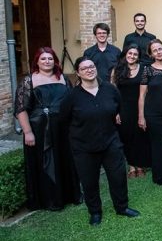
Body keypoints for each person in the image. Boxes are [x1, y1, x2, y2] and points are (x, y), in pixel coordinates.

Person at [60, 57, 140, 226]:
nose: (89, 70)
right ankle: (95, 212)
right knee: (89, 181)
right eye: (84, 68)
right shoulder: (72, 96)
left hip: (111, 142)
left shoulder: (110, 90)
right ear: (78, 73)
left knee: (118, 177)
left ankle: (122, 207)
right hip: (84, 147)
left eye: (91, 66)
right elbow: (64, 120)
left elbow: (117, 108)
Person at [14, 47, 80, 211]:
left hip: (63, 129)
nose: (47, 62)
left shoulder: (63, 78)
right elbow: (20, 109)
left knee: (64, 160)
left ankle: (69, 195)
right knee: (46, 162)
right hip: (39, 130)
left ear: (55, 60)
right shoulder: (29, 81)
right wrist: (28, 132)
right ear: (37, 61)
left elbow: (73, 102)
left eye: (50, 58)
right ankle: (49, 200)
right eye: (43, 59)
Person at [112, 45, 151, 178]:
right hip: (123, 108)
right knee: (126, 136)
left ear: (138, 56)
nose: (132, 56)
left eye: (135, 54)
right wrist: (115, 112)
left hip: (140, 107)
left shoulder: (144, 69)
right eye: (130, 53)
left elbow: (146, 91)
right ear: (125, 54)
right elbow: (112, 92)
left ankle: (140, 164)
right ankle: (131, 165)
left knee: (140, 135)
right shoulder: (117, 69)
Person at [138, 39, 162, 184]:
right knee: (158, 144)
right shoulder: (148, 70)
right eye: (155, 50)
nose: (158, 52)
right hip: (153, 113)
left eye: (160, 49)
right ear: (151, 54)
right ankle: (160, 175)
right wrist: (141, 116)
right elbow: (142, 95)